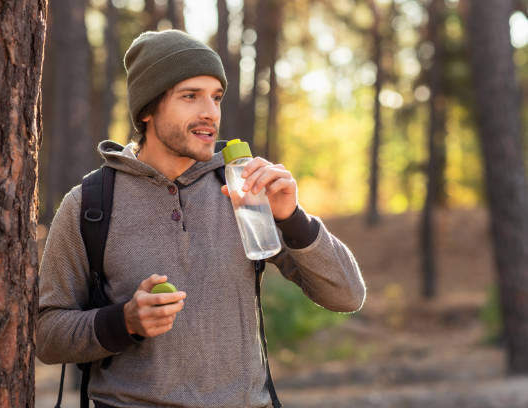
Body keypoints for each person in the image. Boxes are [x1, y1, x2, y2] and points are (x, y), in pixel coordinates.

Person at [37, 29, 366, 408]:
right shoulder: (89, 204)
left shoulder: (244, 191)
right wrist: (124, 321)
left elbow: (347, 295)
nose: (210, 111)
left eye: (216, 97)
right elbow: (47, 335)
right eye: (190, 96)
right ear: (146, 109)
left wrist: (292, 217)